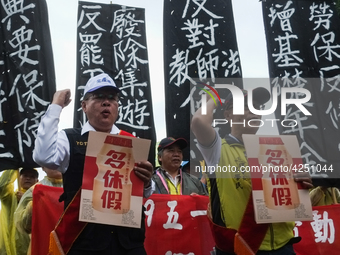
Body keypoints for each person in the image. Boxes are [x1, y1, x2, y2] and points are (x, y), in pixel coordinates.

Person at [33, 73, 154, 255]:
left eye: (112, 98)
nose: (106, 103)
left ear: (117, 107)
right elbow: (43, 156)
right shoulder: (70, 138)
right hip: (85, 243)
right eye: (98, 97)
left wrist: (147, 183)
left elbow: (143, 192)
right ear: (84, 106)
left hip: (129, 244)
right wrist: (56, 106)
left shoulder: (131, 142)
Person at [191, 87, 313, 255]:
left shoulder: (276, 151)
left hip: (284, 244)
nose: (255, 111)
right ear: (228, 115)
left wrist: (302, 184)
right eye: (246, 106)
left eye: (258, 107)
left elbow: (288, 199)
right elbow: (198, 121)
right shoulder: (218, 150)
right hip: (242, 247)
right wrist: (214, 98)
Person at [14, 167, 63, 255]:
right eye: (51, 161)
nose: (56, 164)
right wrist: (33, 207)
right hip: (43, 244)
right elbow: (23, 225)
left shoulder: (77, 188)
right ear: (43, 167)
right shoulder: (34, 190)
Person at [0, 168, 38, 255]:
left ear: (37, 181)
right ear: (19, 178)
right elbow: (2, 186)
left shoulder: (41, 198)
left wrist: (26, 199)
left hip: (29, 249)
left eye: (32, 176)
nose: (28, 178)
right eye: (25, 175)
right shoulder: (10, 197)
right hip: (7, 249)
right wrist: (12, 167)